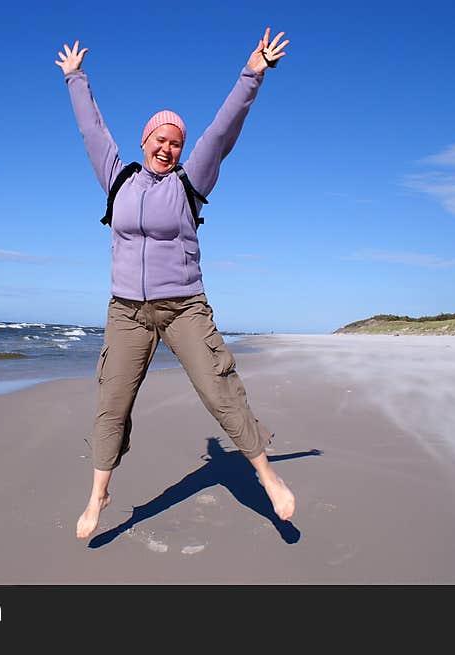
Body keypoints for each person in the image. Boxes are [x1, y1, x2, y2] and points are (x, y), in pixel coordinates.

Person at [56, 27, 295, 540]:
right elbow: (91, 130)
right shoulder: (118, 177)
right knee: (111, 401)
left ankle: (267, 474)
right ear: (144, 141)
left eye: (175, 143)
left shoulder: (192, 181)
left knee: (219, 389)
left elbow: (223, 131)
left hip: (184, 306)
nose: (167, 147)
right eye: (159, 139)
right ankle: (98, 494)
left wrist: (251, 74)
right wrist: (76, 77)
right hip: (127, 311)